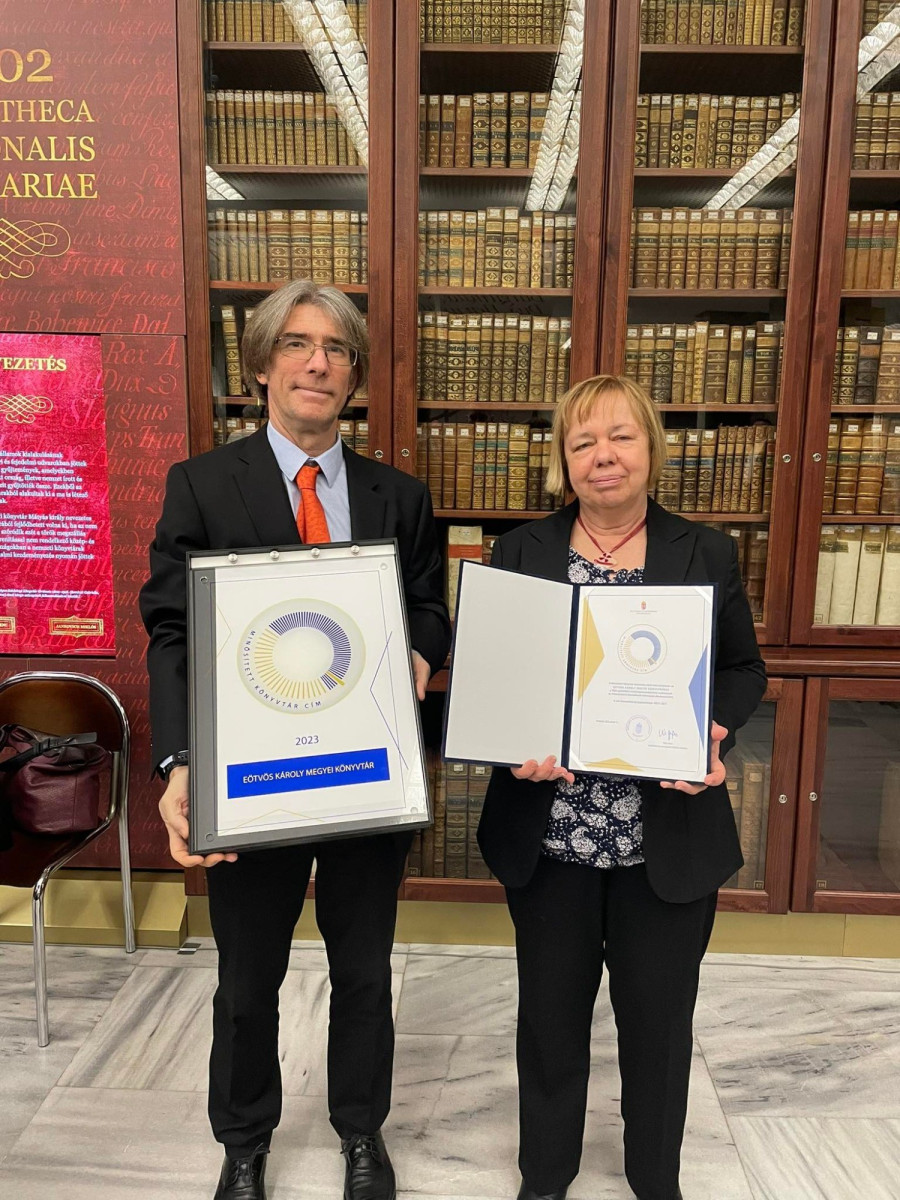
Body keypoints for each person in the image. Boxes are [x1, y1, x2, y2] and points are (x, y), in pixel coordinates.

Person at [139, 280, 451, 1200]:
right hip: (251, 779)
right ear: (262, 366)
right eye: (298, 344)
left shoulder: (400, 496)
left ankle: (361, 1132)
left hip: (364, 776)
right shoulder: (203, 484)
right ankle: (243, 1141)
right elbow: (172, 629)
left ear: (354, 374)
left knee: (363, 972)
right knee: (247, 978)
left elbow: (428, 607)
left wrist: (422, 652)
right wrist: (180, 761)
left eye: (338, 349)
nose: (318, 363)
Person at [477, 375, 767, 1200]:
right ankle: (545, 1177)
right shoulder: (520, 552)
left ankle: (654, 1179)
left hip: (664, 839)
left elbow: (743, 669)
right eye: (582, 441)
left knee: (660, 1028)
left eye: (620, 436)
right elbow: (498, 680)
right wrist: (509, 745)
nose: (602, 456)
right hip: (552, 836)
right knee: (549, 1022)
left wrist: (715, 731)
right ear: (563, 461)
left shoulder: (705, 551)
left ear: (651, 448)